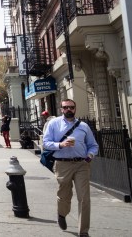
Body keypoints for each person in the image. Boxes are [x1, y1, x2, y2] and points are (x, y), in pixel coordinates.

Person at [43, 99, 99, 237]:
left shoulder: (83, 126)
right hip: (62, 164)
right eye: (66, 107)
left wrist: (90, 155)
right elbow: (46, 143)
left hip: (82, 164)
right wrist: (60, 145)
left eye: (71, 107)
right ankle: (61, 214)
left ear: (75, 109)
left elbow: (93, 145)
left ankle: (83, 231)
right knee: (64, 195)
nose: (69, 109)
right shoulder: (54, 124)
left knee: (84, 198)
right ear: (61, 109)